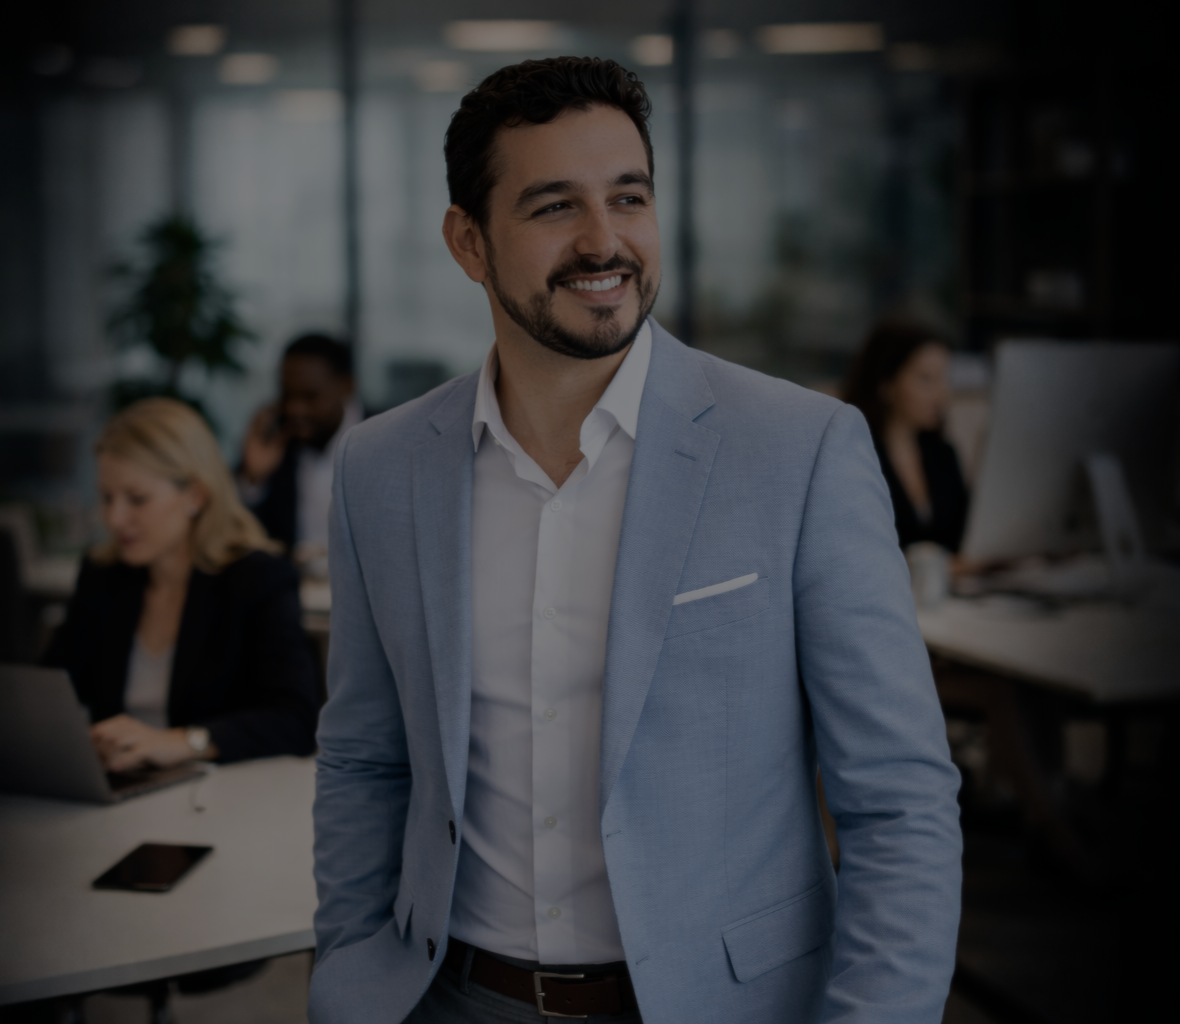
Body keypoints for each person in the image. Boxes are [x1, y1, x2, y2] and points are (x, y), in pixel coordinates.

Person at [310, 57, 962, 1024]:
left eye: (629, 197)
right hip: (448, 999)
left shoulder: (801, 449)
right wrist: (350, 969)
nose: (604, 240)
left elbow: (898, 800)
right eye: (552, 207)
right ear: (468, 243)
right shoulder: (378, 468)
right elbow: (366, 758)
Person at [43, 397, 318, 770]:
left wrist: (182, 742)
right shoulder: (103, 575)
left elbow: (297, 719)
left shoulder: (257, 579)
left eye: (136, 499)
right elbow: (49, 695)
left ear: (195, 495)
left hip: (217, 800)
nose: (115, 518)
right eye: (107, 498)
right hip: (121, 788)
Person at [843, 319, 969, 552]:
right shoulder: (856, 458)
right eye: (926, 379)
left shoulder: (943, 455)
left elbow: (964, 540)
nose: (941, 394)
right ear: (886, 383)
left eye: (945, 379)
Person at [239, 334, 362, 573]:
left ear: (347, 386)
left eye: (310, 396)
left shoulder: (386, 436)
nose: (295, 409)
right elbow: (245, 539)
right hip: (294, 595)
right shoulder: (273, 442)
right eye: (287, 395)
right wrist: (253, 479)